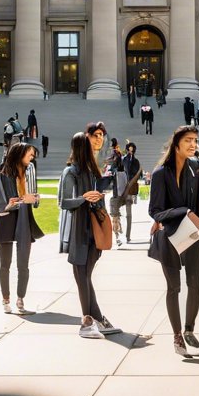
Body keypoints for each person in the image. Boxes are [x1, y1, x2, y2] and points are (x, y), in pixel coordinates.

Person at [149, 126, 199, 356]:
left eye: (195, 140)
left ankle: (189, 329)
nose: (193, 145)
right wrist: (183, 211)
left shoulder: (196, 169)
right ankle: (177, 335)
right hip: (169, 236)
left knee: (195, 285)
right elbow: (155, 211)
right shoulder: (160, 173)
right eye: (188, 140)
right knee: (174, 287)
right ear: (176, 144)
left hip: (192, 235)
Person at [59, 132, 119, 339]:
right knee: (83, 276)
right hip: (83, 228)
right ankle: (93, 319)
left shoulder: (88, 172)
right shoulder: (74, 172)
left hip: (89, 228)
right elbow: (65, 202)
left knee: (84, 276)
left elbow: (68, 201)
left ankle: (91, 320)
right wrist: (85, 199)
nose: (96, 145)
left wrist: (93, 199)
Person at [0, 142, 43, 315]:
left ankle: (20, 300)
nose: (32, 158)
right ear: (19, 155)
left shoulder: (30, 174)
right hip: (6, 221)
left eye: (33, 156)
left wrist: (35, 199)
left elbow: (34, 202)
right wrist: (12, 203)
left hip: (24, 222)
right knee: (5, 264)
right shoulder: (1, 177)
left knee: (23, 264)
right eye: (30, 155)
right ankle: (5, 300)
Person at [110, 141, 142, 245]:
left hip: (129, 190)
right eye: (129, 148)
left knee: (129, 215)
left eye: (132, 148)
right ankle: (118, 235)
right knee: (116, 215)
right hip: (120, 191)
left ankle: (128, 236)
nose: (131, 150)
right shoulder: (123, 160)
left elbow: (139, 175)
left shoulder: (136, 161)